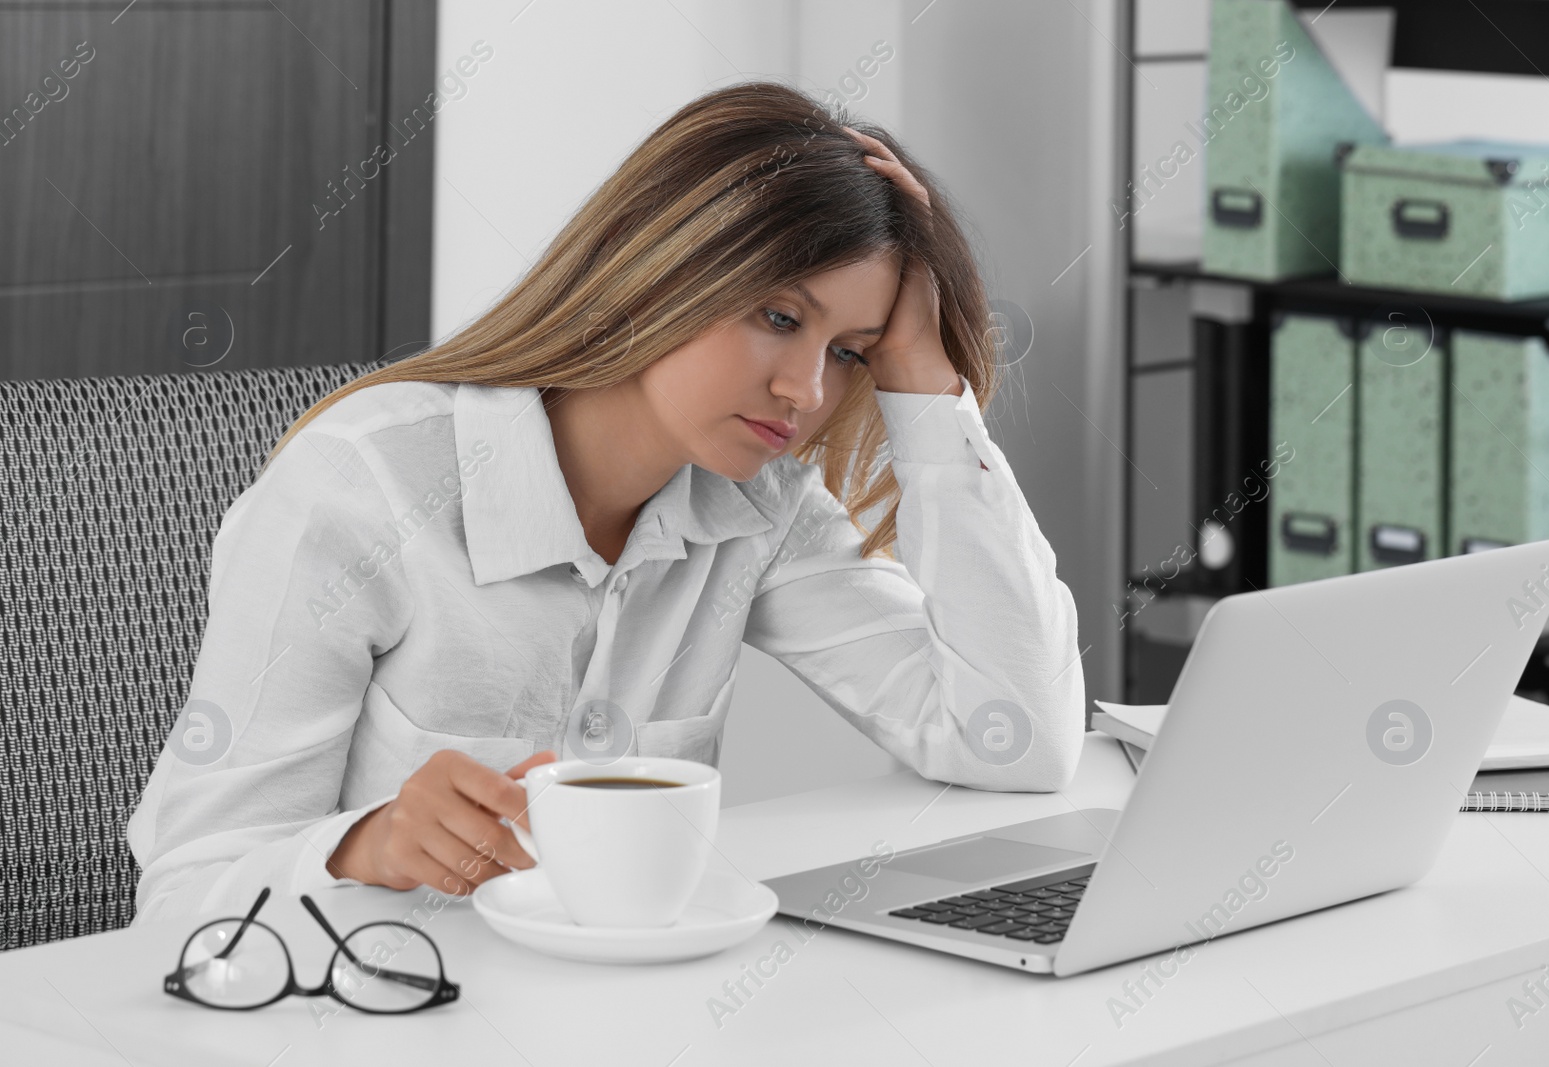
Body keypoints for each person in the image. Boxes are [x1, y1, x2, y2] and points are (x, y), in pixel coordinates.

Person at [127, 81, 1086, 923]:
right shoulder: (362, 490)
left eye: (850, 351)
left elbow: (1014, 740)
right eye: (780, 317)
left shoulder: (765, 506)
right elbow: (181, 900)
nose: (808, 391)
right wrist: (363, 847)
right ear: (658, 268)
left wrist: (923, 376)